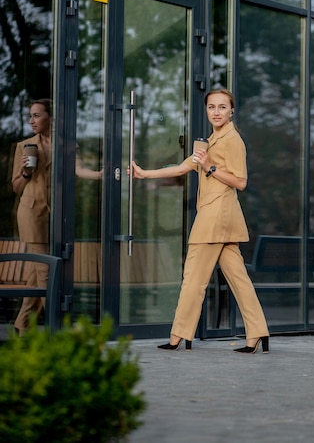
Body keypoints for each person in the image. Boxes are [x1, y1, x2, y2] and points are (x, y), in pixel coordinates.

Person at [129, 88, 269, 354]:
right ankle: (258, 333)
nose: (216, 112)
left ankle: (178, 336)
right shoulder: (209, 141)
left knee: (193, 278)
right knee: (239, 280)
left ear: (232, 111)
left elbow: (241, 181)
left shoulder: (232, 140)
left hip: (215, 217)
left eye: (222, 107)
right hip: (221, 218)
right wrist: (144, 174)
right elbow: (182, 168)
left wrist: (209, 167)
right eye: (211, 107)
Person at [11, 98, 101, 335]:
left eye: (37, 115)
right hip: (31, 213)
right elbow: (16, 187)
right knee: (45, 271)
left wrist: (100, 175)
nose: (32, 120)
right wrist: (26, 172)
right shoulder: (25, 146)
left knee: (35, 273)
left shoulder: (66, 144)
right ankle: (56, 325)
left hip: (56, 214)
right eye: (30, 116)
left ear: (50, 117)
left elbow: (78, 169)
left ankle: (23, 324)